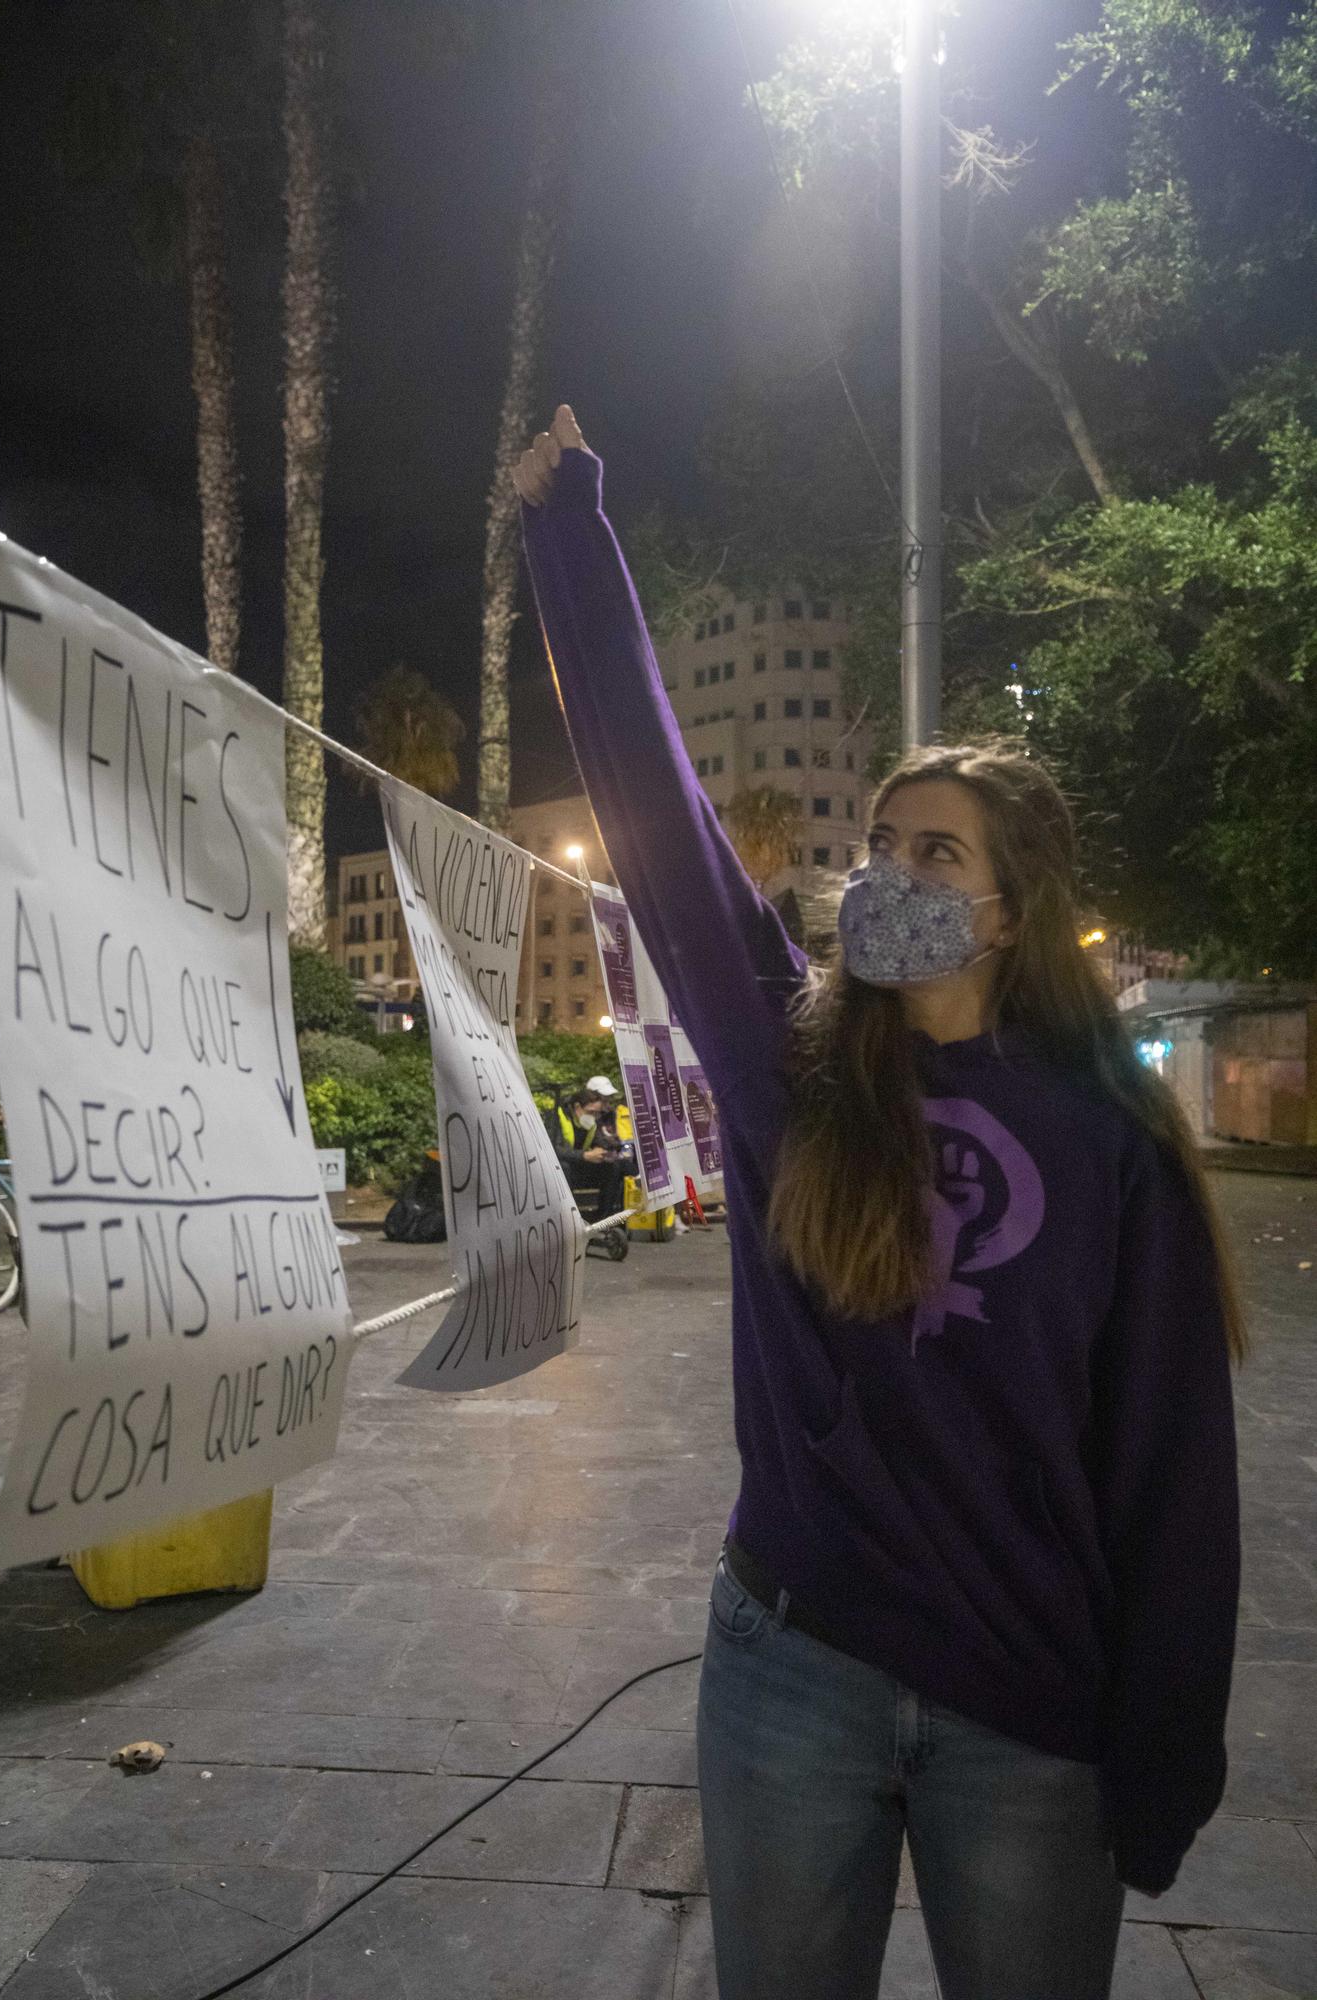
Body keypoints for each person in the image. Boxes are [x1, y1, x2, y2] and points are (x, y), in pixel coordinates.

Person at [514, 407, 1245, 2000]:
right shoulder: (793, 1064)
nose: (884, 876)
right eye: (876, 844)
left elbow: (1172, 1472)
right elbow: (659, 823)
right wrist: (567, 534)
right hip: (791, 1673)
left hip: (1032, 1712)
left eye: (933, 853)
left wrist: (1161, 1754)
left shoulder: (1111, 1138)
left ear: (1008, 907)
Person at [543, 1081, 629, 1224]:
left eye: (597, 1113)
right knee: (564, 1167)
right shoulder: (556, 1117)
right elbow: (553, 1150)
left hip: (579, 1169)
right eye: (591, 1112)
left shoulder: (591, 1123)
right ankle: (567, 1221)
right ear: (577, 1107)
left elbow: (599, 1143)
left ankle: (602, 1220)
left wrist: (603, 1151)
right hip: (557, 1172)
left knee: (613, 1167)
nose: (594, 1116)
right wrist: (584, 1155)